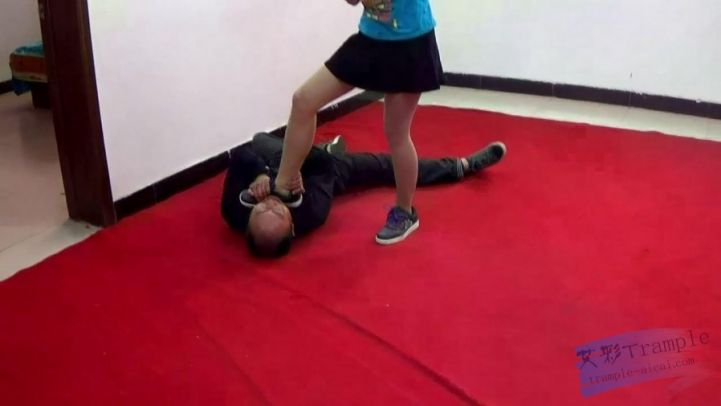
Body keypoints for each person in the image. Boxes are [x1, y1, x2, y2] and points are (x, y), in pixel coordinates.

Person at [256, 0, 444, 245]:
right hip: (370, 40)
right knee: (303, 101)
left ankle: (405, 212)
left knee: (396, 133)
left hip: (410, 45)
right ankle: (284, 187)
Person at [221, 132, 507, 258]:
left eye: (262, 208)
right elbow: (325, 168)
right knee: (390, 166)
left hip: (274, 162)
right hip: (325, 171)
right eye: (279, 211)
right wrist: (298, 169)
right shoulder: (311, 211)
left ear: (248, 223)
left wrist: (259, 175)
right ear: (292, 228)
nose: (271, 203)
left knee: (259, 139)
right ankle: (460, 167)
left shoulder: (234, 211)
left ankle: (313, 148)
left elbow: (241, 155)